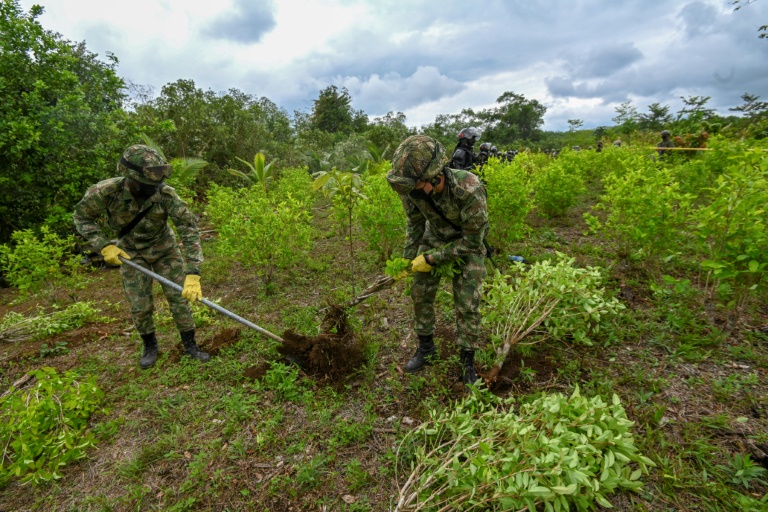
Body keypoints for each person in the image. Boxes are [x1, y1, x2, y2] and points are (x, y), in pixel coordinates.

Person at [73, 144, 209, 369]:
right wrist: (104, 245)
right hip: (130, 253)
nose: (152, 189)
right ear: (129, 177)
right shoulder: (105, 192)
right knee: (140, 304)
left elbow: (187, 225)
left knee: (179, 298)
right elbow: (81, 218)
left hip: (165, 249)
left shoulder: (165, 193)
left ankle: (190, 345)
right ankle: (150, 346)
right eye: (146, 185)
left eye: (155, 184)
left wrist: (193, 271)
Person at [386, 135, 489, 389]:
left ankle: (467, 361)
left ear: (434, 177)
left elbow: (473, 242)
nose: (411, 193)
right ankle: (426, 348)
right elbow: (415, 223)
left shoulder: (469, 188)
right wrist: (407, 260)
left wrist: (432, 258)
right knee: (419, 292)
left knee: (467, 301)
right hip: (434, 237)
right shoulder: (411, 188)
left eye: (416, 186)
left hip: (466, 243)